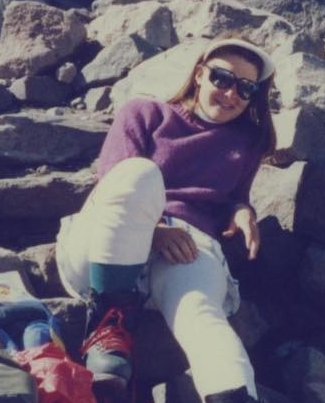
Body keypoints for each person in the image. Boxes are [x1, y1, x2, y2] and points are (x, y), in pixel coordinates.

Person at [54, 34, 276, 403]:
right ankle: (108, 328)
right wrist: (154, 230)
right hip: (108, 247)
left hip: (187, 247)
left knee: (202, 315)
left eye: (246, 87)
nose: (231, 93)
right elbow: (114, 183)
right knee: (139, 174)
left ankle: (234, 395)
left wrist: (241, 210)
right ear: (201, 74)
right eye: (222, 78)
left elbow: (234, 197)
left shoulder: (246, 142)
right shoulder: (144, 113)